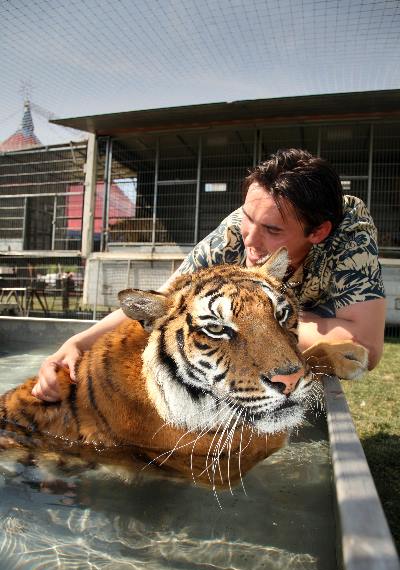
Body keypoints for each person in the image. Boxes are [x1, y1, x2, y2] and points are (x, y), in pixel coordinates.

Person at [32, 148, 386, 401]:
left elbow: (364, 350)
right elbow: (168, 306)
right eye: (248, 217)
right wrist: (77, 342)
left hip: (307, 315)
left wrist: (261, 317)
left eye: (273, 231)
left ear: (318, 232)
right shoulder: (235, 232)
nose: (251, 238)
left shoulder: (347, 227)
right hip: (264, 332)